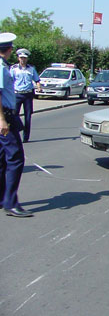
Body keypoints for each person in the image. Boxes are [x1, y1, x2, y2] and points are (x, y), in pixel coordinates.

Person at [0, 33, 33, 217]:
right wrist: (2, 120)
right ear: (10, 49)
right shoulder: (0, 67)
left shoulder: (4, 66)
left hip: (5, 115)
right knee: (15, 158)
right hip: (4, 117)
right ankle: (11, 203)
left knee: (2, 158)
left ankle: (2, 198)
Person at [10, 48, 41, 142]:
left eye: (24, 58)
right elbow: (10, 81)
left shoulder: (31, 68)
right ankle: (19, 128)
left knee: (28, 116)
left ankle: (26, 137)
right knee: (14, 114)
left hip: (28, 94)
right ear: (18, 58)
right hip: (17, 94)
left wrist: (39, 87)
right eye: (21, 58)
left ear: (27, 59)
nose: (23, 59)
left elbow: (37, 79)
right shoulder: (14, 68)